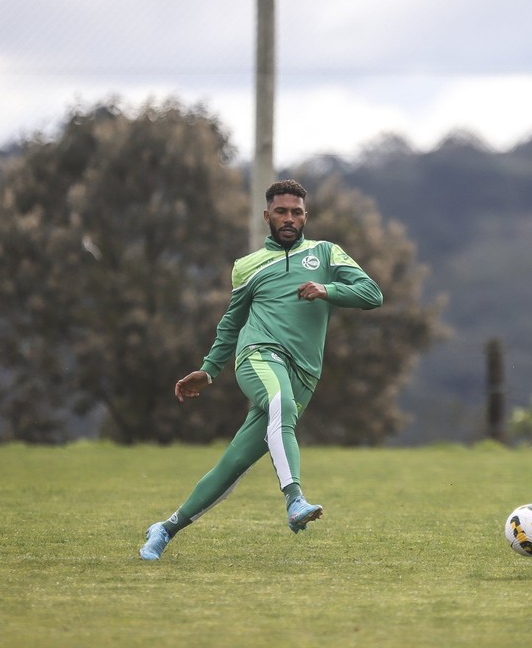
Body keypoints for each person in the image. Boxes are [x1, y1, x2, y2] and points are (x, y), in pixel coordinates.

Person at [140, 179, 384, 560]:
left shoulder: (326, 253)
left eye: (297, 212)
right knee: (278, 401)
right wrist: (209, 369)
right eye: (282, 211)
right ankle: (295, 500)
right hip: (257, 355)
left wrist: (327, 289)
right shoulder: (248, 266)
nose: (289, 218)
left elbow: (372, 295)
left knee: (234, 464)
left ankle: (165, 528)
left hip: (304, 375)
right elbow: (231, 322)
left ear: (306, 216)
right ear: (267, 215)